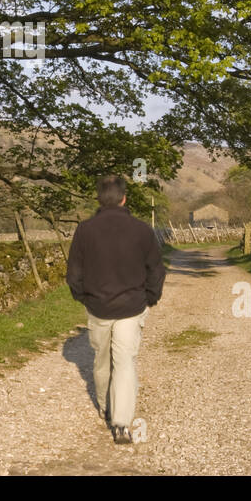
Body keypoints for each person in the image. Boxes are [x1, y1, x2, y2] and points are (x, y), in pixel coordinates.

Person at [65, 174, 165, 444]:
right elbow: (156, 269)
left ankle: (105, 407)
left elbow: (74, 274)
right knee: (124, 362)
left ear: (98, 198)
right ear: (124, 198)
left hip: (98, 308)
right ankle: (121, 423)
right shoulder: (142, 230)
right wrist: (150, 298)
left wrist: (85, 298)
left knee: (101, 361)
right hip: (132, 308)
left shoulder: (85, 230)